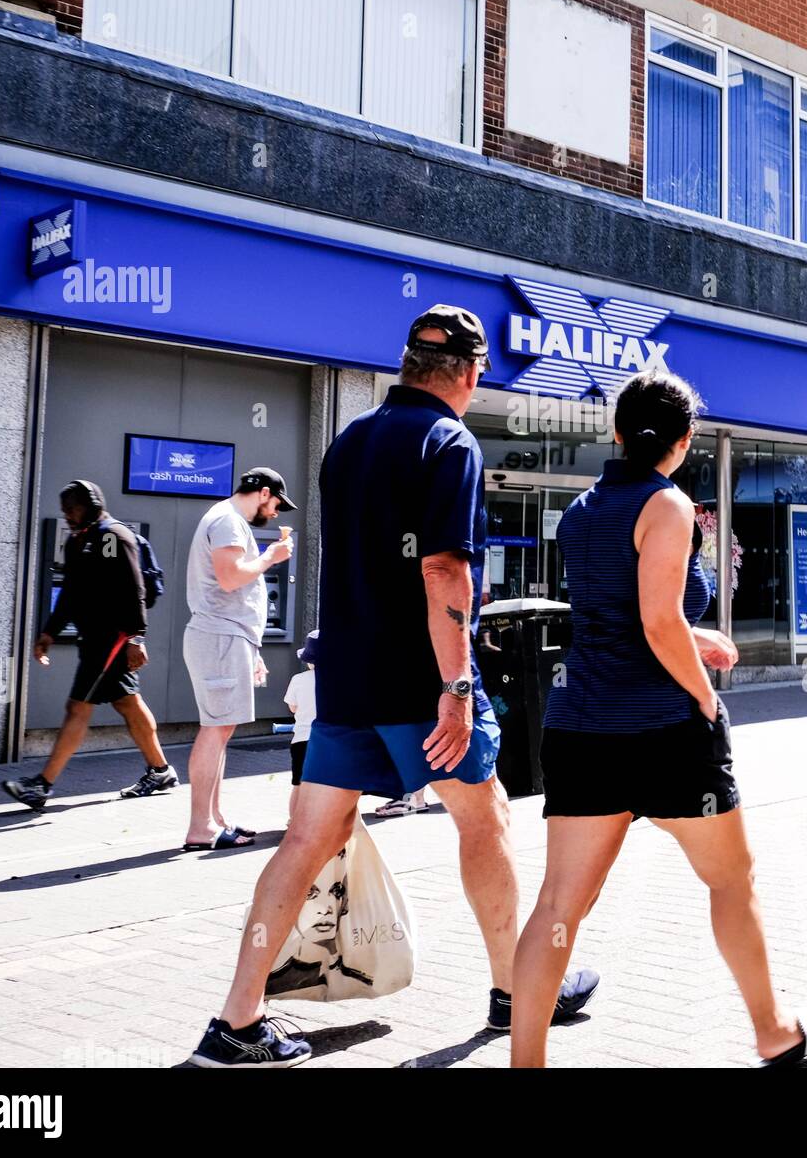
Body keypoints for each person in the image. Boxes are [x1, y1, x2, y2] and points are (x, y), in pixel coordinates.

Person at [189, 305, 597, 1068]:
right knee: (485, 821)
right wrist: (455, 685)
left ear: (408, 364)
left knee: (308, 839)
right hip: (420, 681)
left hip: (342, 678)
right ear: (470, 375)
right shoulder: (450, 441)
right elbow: (444, 570)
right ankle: (516, 991)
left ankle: (236, 1021)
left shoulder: (347, 444)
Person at [510, 371, 807, 1069]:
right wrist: (704, 694)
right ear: (685, 442)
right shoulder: (669, 506)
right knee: (733, 879)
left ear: (618, 433)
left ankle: (525, 1064)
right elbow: (658, 621)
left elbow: (617, 618)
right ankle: (773, 1030)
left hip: (580, 726)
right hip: (662, 727)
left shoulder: (582, 509)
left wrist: (696, 640)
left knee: (559, 905)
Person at [2, 480, 176, 810]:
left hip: (113, 639)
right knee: (128, 704)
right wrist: (49, 632)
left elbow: (134, 589)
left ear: (92, 506)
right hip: (93, 637)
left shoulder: (112, 536)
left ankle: (42, 786)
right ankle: (160, 771)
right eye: (64, 509)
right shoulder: (77, 540)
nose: (67, 514)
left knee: (77, 708)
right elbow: (70, 592)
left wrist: (137, 637)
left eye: (73, 508)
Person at [182, 467, 296, 851]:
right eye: (277, 503)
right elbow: (230, 578)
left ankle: (215, 821)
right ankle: (201, 828)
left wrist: (252, 647)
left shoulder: (225, 519)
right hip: (219, 636)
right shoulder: (228, 521)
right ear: (264, 493)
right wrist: (270, 556)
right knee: (216, 729)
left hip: (227, 637)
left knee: (222, 728)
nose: (277, 512)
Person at [284, 629, 319, 825]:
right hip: (325, 739)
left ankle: (293, 820)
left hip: (301, 739)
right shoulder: (334, 681)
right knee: (324, 784)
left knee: (298, 783)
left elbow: (292, 706)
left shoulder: (298, 680)